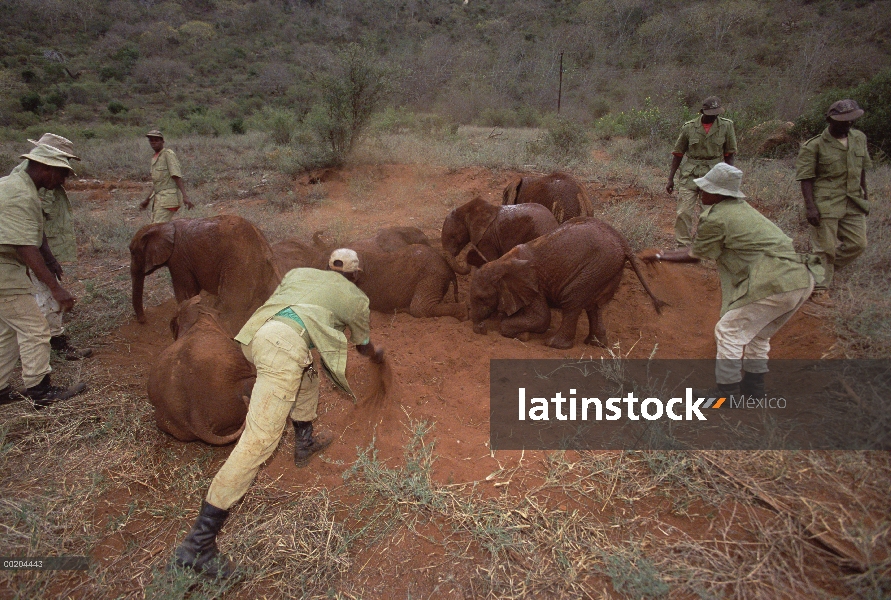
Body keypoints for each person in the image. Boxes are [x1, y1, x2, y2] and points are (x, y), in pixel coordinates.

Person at [173, 249, 385, 578]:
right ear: (357, 275)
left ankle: (304, 441)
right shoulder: (357, 297)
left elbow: (290, 307)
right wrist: (377, 355)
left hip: (258, 337)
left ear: (327, 266)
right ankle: (197, 546)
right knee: (259, 442)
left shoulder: (299, 273)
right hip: (283, 348)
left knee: (306, 371)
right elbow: (362, 345)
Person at [645, 163, 821, 398]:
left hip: (774, 281)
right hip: (801, 279)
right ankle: (754, 389)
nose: (701, 193)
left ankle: (727, 392)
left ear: (719, 193)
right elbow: (697, 250)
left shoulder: (718, 217)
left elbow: (694, 256)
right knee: (758, 334)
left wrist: (658, 256)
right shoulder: (741, 209)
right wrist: (662, 255)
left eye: (706, 189)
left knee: (728, 331)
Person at [0, 144, 88, 408]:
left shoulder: (15, 183)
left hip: (6, 266)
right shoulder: (20, 195)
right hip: (4, 270)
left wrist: (50, 262)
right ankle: (40, 390)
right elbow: (25, 246)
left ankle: (1, 390)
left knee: (7, 331)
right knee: (36, 330)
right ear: (45, 168)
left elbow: (33, 239)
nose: (62, 181)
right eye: (62, 174)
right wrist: (55, 288)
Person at [11, 134, 92, 361]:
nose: (64, 177)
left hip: (32, 245)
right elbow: (28, 238)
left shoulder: (29, 179)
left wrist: (50, 258)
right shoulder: (27, 185)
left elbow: (38, 228)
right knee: (44, 294)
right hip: (24, 250)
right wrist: (48, 267)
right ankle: (51, 346)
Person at [795, 99, 872, 305]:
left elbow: (862, 168)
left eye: (851, 120)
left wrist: (865, 194)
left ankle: (816, 270)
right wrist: (810, 206)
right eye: (843, 120)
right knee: (825, 248)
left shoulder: (859, 139)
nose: (848, 124)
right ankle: (819, 288)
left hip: (853, 200)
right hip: (825, 202)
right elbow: (806, 178)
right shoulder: (814, 146)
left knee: (858, 244)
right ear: (830, 120)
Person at [666, 96, 738, 247]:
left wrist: (730, 179)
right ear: (703, 111)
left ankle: (702, 245)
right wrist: (670, 178)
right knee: (683, 212)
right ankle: (682, 245)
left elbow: (729, 154)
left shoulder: (726, 126)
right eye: (711, 112)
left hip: (714, 173)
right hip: (690, 173)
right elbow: (678, 153)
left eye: (716, 112)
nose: (714, 116)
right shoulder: (689, 127)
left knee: (709, 214)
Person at [139, 130, 193, 223]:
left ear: (162, 141)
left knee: (157, 228)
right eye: (151, 140)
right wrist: (147, 200)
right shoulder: (155, 157)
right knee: (156, 226)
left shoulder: (168, 154)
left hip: (168, 198)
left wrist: (185, 196)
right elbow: (157, 183)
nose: (153, 142)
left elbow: (176, 175)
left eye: (156, 140)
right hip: (158, 198)